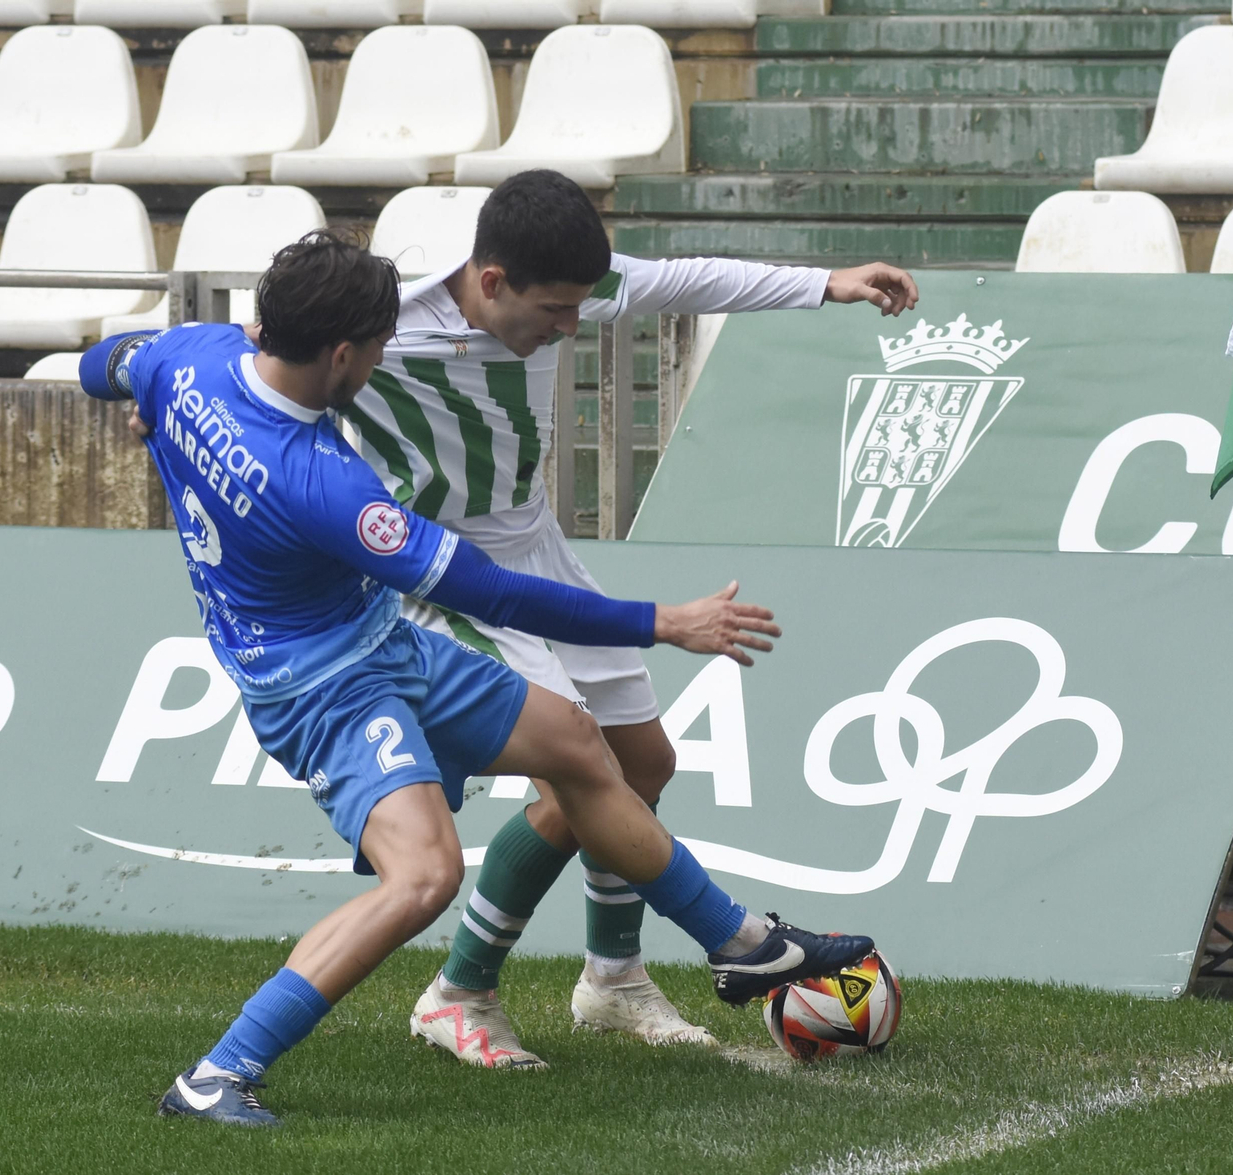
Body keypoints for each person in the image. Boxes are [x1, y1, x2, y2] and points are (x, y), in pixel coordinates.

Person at [80, 233, 873, 1128]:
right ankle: (218, 1072)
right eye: (376, 348)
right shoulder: (324, 487)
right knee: (422, 877)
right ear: (341, 352)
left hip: (377, 642)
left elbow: (100, 361)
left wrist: (140, 410)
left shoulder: (194, 355)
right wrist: (663, 623)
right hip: (323, 688)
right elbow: (494, 593)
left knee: (579, 744)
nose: (382, 360)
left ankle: (746, 948)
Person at [344, 170, 919, 1065]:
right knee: (577, 764)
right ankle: (460, 991)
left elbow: (685, 278)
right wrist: (146, 390)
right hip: (437, 574)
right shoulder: (380, 327)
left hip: (536, 552)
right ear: (490, 283)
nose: (572, 326)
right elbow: (240, 357)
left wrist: (826, 285)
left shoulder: (558, 282)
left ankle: (612, 977)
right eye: (555, 310)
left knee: (642, 761)